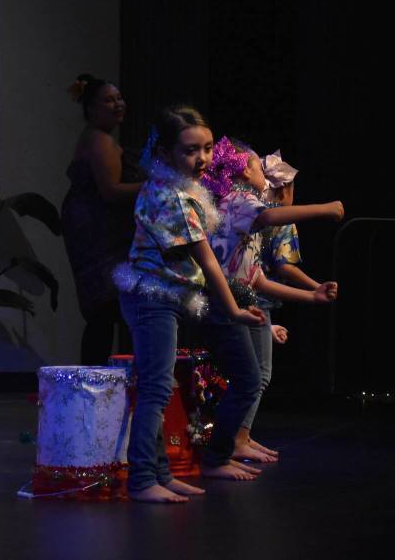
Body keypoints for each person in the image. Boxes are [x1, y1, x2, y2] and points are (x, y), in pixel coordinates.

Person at [113, 104, 265, 504]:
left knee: (161, 387)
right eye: (190, 151)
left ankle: (160, 472)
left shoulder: (180, 189)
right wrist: (232, 309)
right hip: (153, 297)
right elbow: (208, 260)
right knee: (156, 388)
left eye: (208, 148)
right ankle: (144, 478)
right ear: (165, 153)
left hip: (167, 295)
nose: (203, 159)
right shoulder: (172, 198)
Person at [200, 139, 342, 463]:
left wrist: (312, 295)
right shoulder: (238, 200)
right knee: (249, 379)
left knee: (253, 378)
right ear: (244, 172)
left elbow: (258, 279)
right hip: (226, 298)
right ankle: (220, 452)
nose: (262, 170)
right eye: (256, 165)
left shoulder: (244, 208)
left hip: (242, 294)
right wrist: (325, 209)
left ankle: (230, 446)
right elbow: (270, 218)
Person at [61, 74, 143, 365]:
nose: (117, 104)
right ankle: (95, 379)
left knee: (105, 310)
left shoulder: (99, 137)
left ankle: (100, 377)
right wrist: (157, 187)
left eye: (119, 98)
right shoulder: (99, 140)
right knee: (105, 307)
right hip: (98, 232)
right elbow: (110, 190)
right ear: (91, 109)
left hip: (97, 228)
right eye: (108, 100)